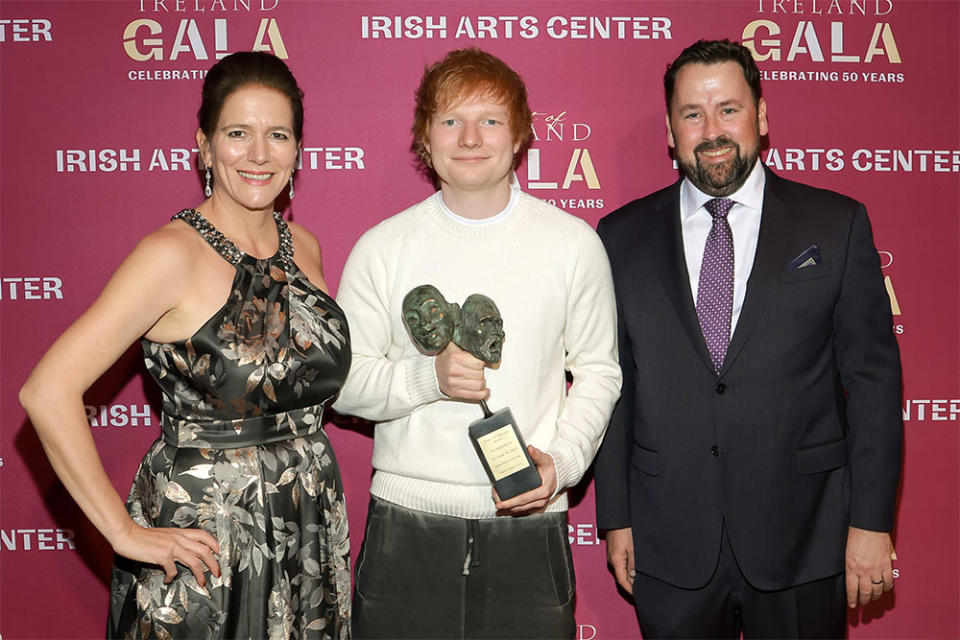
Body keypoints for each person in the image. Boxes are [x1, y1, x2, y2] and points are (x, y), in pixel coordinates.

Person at [19, 51, 352, 639]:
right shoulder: (169, 255)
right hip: (210, 541)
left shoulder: (303, 245)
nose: (258, 154)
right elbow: (47, 391)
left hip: (309, 522)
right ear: (204, 145)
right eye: (237, 133)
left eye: (277, 135)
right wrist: (123, 532)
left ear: (298, 150)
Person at [595, 39, 903, 638]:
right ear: (670, 129)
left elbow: (872, 384)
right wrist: (618, 518)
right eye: (692, 114)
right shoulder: (620, 236)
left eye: (728, 109)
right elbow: (614, 386)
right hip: (669, 538)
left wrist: (870, 524)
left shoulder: (835, 224)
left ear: (761, 116)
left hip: (804, 539)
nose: (712, 130)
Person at [333, 48, 621, 639]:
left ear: (520, 136)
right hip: (405, 532)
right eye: (449, 120)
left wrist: (561, 464)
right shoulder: (382, 247)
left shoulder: (572, 244)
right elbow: (342, 384)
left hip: (530, 528)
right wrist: (425, 378)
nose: (469, 138)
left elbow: (598, 372)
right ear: (425, 137)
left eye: (489, 120)